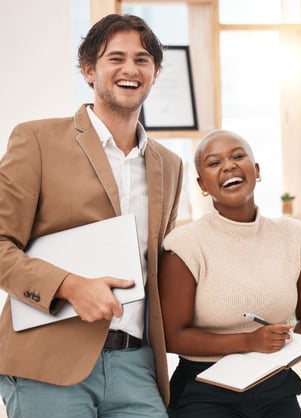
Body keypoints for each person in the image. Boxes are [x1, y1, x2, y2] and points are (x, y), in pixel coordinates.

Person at [0, 14, 183, 417]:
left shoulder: (169, 165)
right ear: (88, 70)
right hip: (49, 364)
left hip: (138, 366)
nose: (130, 69)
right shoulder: (37, 140)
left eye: (142, 59)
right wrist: (68, 285)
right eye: (115, 58)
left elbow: (162, 266)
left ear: (155, 73)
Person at [158, 130, 301, 417]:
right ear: (202, 184)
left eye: (238, 156)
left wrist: (281, 354)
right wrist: (249, 342)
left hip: (275, 383)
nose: (229, 166)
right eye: (213, 163)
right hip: (203, 391)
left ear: (256, 170)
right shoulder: (184, 245)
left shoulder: (296, 238)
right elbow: (173, 336)